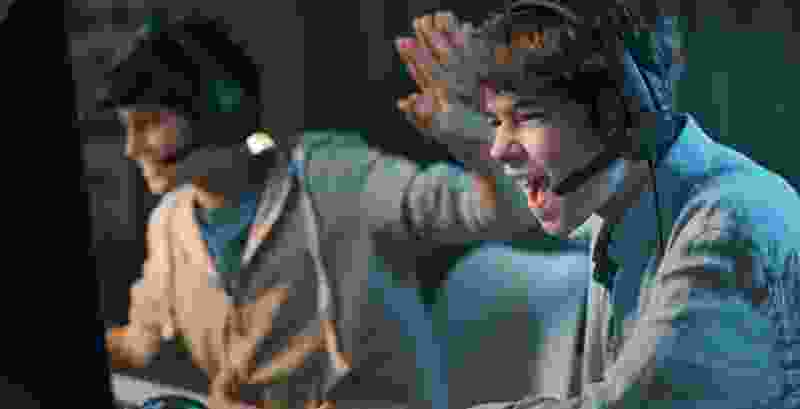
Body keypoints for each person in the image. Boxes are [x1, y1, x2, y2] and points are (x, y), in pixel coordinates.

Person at [100, 12, 542, 409]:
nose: (131, 148)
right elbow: (139, 342)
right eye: (127, 128)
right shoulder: (170, 222)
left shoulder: (339, 177)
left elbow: (503, 213)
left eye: (148, 123)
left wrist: (470, 133)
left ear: (219, 105)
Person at [394, 1, 800, 408]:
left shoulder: (725, 228)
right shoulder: (630, 204)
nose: (498, 148)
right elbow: (522, 213)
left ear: (618, 114)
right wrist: (470, 128)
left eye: (527, 115)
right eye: (496, 121)